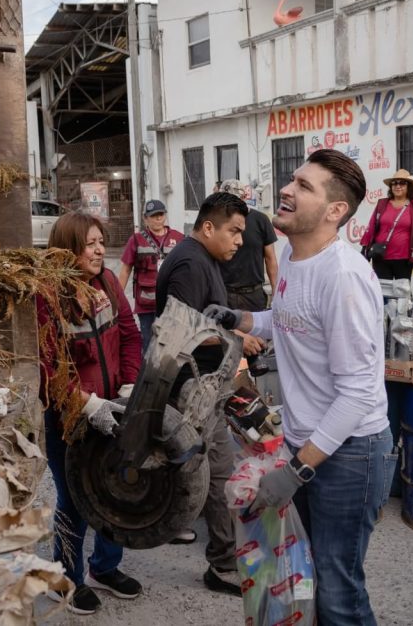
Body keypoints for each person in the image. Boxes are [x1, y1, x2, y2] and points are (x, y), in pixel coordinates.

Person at [205, 148, 394, 625]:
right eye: (293, 179)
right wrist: (238, 318)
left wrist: (296, 470)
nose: (287, 189)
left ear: (335, 211)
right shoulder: (292, 253)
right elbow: (288, 319)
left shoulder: (344, 278)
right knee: (308, 578)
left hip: (350, 454)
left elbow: (357, 394)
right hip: (307, 442)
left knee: (337, 592)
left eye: (304, 186)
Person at [35, 212, 143, 615]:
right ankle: (65, 579)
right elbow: (46, 368)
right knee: (75, 499)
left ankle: (104, 567)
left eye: (101, 242)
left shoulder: (109, 283)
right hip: (69, 418)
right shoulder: (46, 296)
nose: (100, 251)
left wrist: (128, 385)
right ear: (67, 249)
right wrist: (86, 403)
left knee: (115, 489)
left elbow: (130, 335)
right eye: (90, 244)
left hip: (113, 407)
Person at [154, 191, 250, 596]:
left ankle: (220, 552)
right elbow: (181, 331)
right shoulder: (191, 263)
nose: (239, 241)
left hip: (205, 384)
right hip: (192, 388)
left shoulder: (203, 257)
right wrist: (237, 338)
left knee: (209, 468)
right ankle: (223, 565)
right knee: (218, 471)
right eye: (234, 231)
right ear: (208, 227)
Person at [118, 199, 184, 351]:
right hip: (145, 305)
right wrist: (117, 299)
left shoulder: (179, 238)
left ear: (165, 216)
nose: (158, 218)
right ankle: (147, 367)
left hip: (171, 303)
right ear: (145, 219)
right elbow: (125, 270)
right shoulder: (136, 240)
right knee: (148, 344)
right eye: (153, 215)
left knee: (170, 344)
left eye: (161, 214)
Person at [358, 168, 413, 280]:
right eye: (394, 183)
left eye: (402, 183)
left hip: (404, 258)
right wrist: (365, 247)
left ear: (409, 186)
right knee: (383, 288)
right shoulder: (382, 204)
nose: (397, 186)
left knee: (401, 289)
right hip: (380, 256)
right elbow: (372, 226)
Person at [218, 179, 279, 311]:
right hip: (224, 294)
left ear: (244, 197)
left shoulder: (260, 220)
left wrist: (276, 291)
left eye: (234, 200)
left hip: (253, 296)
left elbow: (270, 259)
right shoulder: (217, 220)